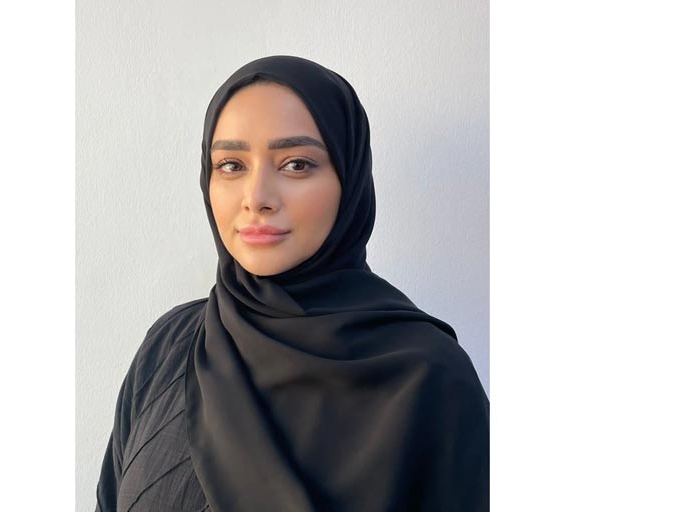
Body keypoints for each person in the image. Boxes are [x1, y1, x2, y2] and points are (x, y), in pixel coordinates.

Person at [95, 55, 489, 512]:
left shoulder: (431, 379)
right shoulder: (171, 345)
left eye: (297, 164)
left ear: (349, 177)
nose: (257, 198)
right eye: (231, 165)